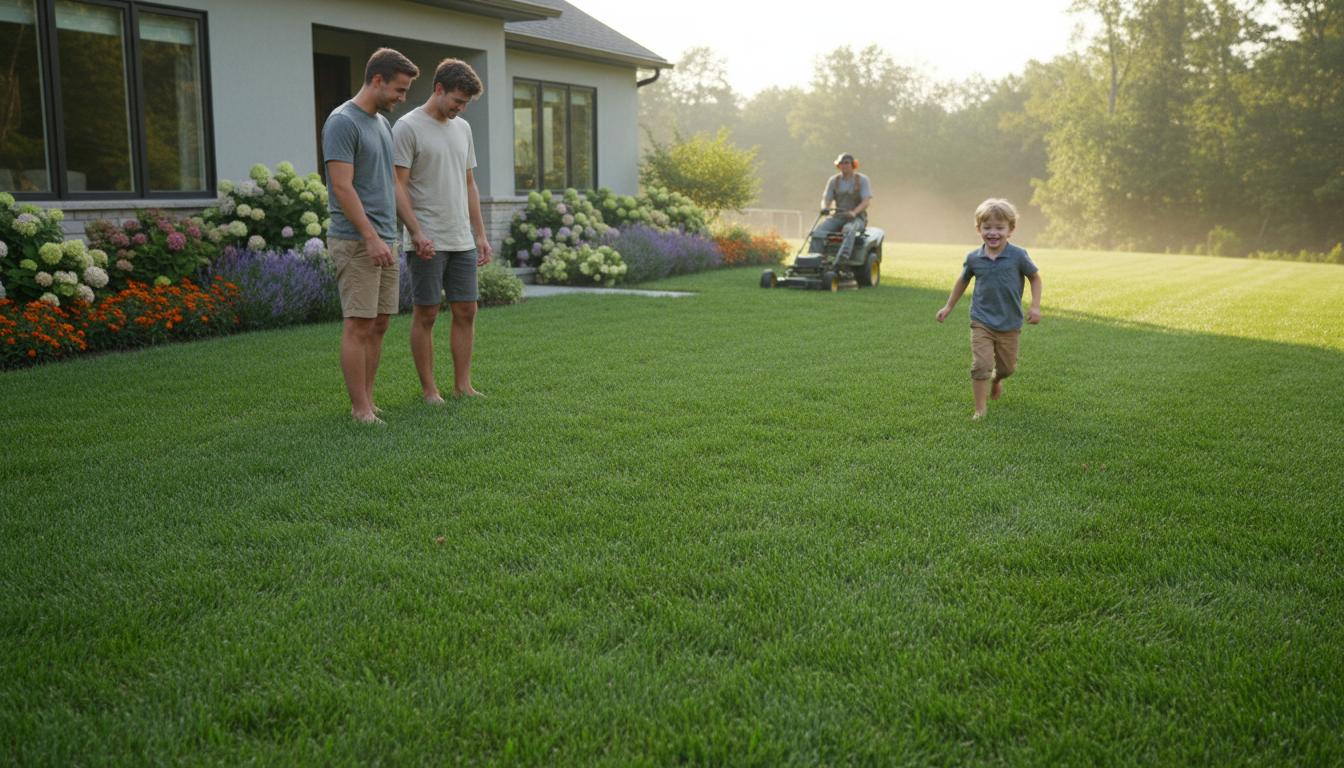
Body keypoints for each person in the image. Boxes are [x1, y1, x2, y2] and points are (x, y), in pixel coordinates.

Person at [323, 48, 419, 424]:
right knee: (358, 323)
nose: (402, 98)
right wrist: (370, 237)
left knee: (379, 322)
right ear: (377, 80)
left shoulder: (381, 124)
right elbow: (342, 187)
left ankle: (368, 400)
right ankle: (359, 409)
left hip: (385, 237)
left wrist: (412, 229)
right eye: (399, 89)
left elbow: (391, 183)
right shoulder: (342, 122)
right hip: (357, 239)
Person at [392, 58, 492, 403]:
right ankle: (429, 390)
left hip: (460, 237)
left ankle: (463, 385)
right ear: (439, 89)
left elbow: (469, 184)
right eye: (457, 101)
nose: (460, 109)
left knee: (467, 310)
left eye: (465, 104)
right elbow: (398, 187)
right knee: (427, 313)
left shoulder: (462, 129)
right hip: (426, 239)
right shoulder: (407, 127)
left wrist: (479, 234)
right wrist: (416, 232)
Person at [935, 198, 1043, 420]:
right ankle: (980, 409)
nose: (993, 233)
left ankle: (998, 379)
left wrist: (1035, 306)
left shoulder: (1018, 256)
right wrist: (948, 307)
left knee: (1007, 368)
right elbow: (962, 281)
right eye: (987, 228)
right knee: (981, 364)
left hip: (1010, 322)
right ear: (979, 229)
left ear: (1010, 230)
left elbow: (1035, 278)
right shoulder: (974, 258)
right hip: (981, 320)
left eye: (999, 228)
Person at [811, 152, 872, 259]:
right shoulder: (833, 181)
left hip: (857, 218)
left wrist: (854, 212)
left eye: (847, 163)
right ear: (838, 166)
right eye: (841, 163)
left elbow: (866, 201)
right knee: (818, 231)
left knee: (848, 229)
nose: (844, 165)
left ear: (853, 165)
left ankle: (843, 258)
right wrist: (825, 208)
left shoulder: (862, 180)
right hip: (838, 216)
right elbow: (826, 198)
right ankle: (814, 257)